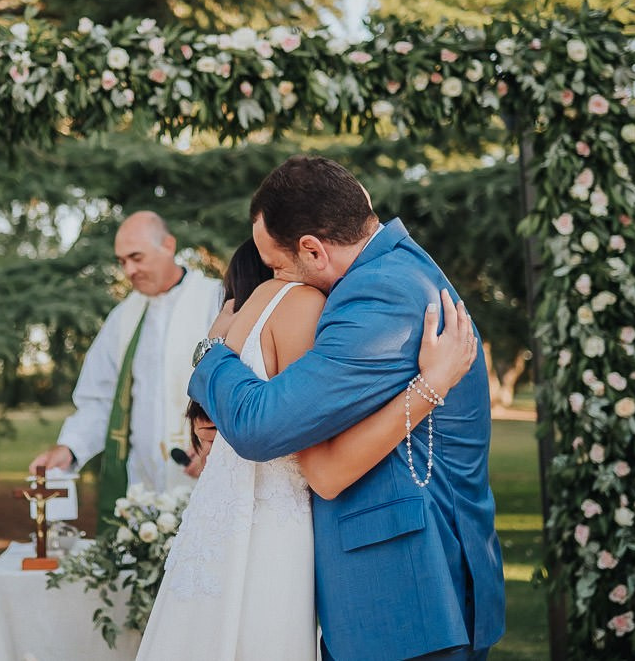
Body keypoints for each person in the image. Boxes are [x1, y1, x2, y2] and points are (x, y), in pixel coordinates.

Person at [190, 155, 506, 661]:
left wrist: (209, 355)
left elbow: (260, 425)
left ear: (312, 250)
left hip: (408, 591)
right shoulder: (399, 269)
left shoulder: (378, 296)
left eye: (276, 266)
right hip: (405, 587)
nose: (275, 281)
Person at [137, 236, 479, 661]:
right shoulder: (299, 305)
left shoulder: (233, 336)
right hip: (275, 539)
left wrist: (208, 350)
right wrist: (431, 385)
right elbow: (318, 457)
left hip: (221, 536)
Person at [29, 211, 223, 528]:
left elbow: (246, 379)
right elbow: (99, 398)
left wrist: (217, 444)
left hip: (206, 478)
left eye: (136, 257)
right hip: (144, 486)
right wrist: (70, 448)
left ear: (169, 245)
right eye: (122, 261)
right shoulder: (124, 317)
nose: (129, 270)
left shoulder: (215, 299)